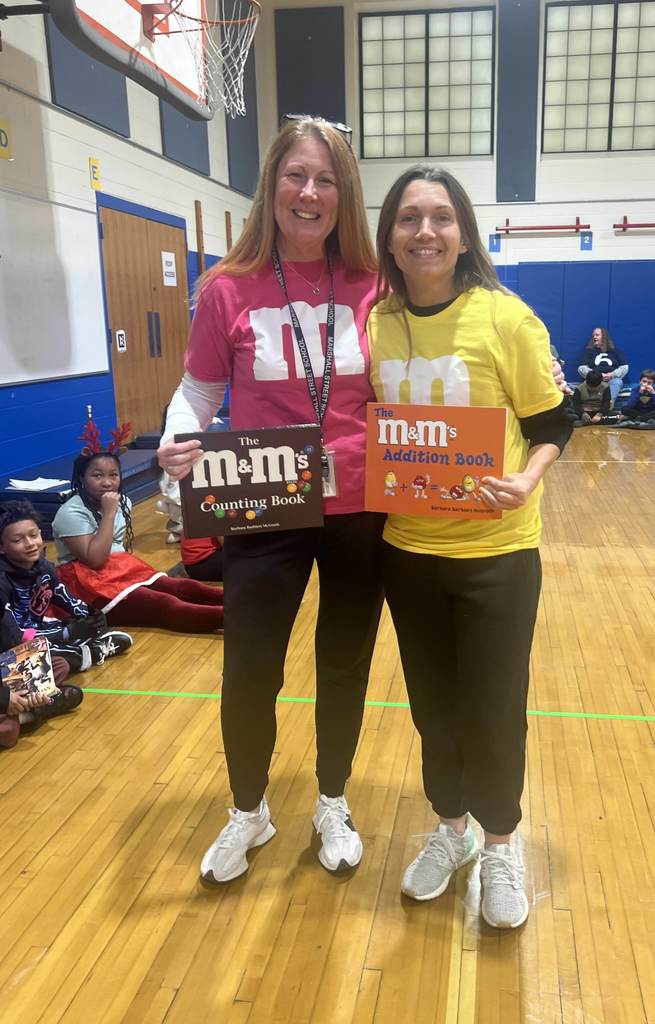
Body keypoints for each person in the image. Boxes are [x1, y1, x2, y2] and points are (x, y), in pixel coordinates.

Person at [156, 117, 387, 884]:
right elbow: (198, 389)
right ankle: (248, 812)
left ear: (344, 193)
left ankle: (332, 799)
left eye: (327, 179)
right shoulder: (227, 287)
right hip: (262, 500)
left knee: (344, 661)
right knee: (250, 665)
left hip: (359, 503)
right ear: (272, 186)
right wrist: (177, 437)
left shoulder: (373, 283)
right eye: (297, 176)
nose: (311, 192)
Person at [367, 166, 572, 929]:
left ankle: (501, 843)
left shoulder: (506, 319)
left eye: (441, 218)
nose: (425, 232)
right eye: (409, 218)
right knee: (434, 710)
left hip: (498, 555)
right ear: (389, 234)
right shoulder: (375, 320)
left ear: (463, 234)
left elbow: (554, 422)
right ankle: (450, 832)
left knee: (493, 708)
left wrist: (526, 479)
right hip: (409, 551)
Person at [52, 448, 224, 633]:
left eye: (114, 475)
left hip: (117, 567)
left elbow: (116, 547)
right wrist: (109, 513)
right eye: (97, 476)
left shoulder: (123, 501)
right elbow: (95, 560)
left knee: (181, 586)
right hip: (86, 583)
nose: (107, 482)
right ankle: (244, 617)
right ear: (81, 479)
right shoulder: (70, 513)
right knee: (166, 604)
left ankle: (250, 600)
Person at [0, 499, 132, 675]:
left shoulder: (44, 567)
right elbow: (14, 639)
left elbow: (66, 598)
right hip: (10, 644)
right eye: (18, 540)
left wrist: (91, 615)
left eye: (33, 535)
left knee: (76, 629)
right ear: (2, 548)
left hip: (36, 631)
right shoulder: (2, 581)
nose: (30, 544)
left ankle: (77, 654)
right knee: (27, 658)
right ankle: (91, 652)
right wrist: (66, 634)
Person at [578, 327, 628, 408]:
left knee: (617, 382)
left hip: (612, 379)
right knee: (585, 384)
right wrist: (595, 375)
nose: (594, 337)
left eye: (597, 335)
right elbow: (581, 368)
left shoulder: (615, 350)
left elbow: (624, 367)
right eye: (593, 335)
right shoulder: (589, 351)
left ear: (604, 337)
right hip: (594, 380)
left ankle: (607, 406)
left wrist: (612, 374)